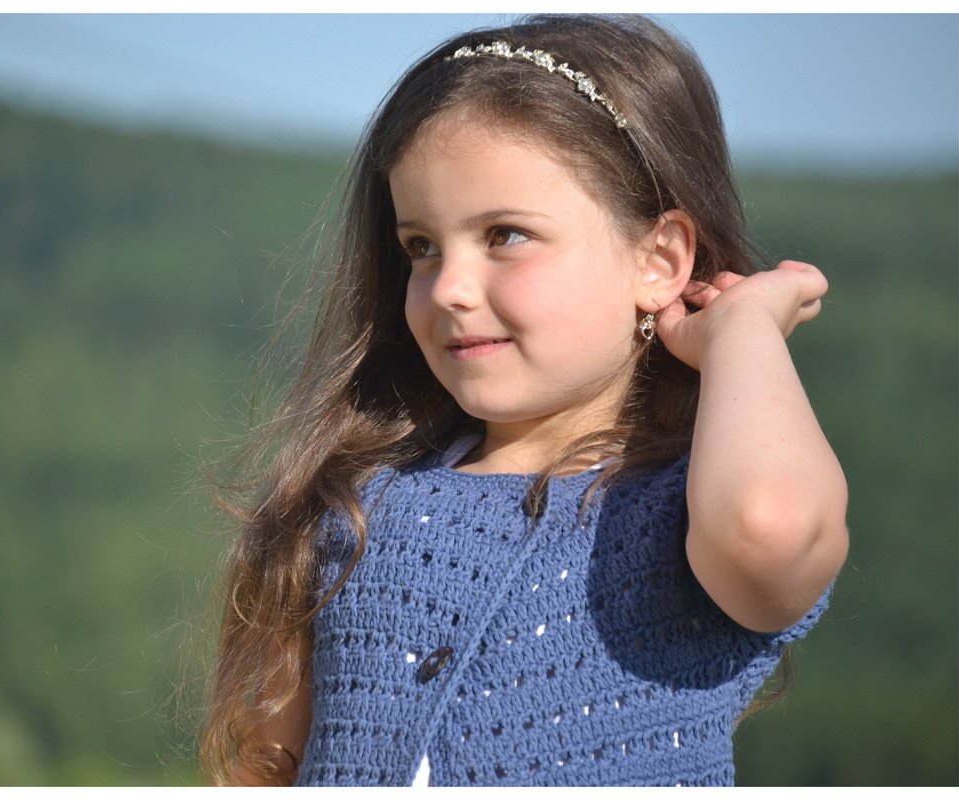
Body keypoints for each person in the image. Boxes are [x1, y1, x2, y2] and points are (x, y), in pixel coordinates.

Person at [198, 13, 848, 787]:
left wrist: (742, 332)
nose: (448, 287)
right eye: (420, 247)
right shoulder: (353, 508)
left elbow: (768, 528)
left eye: (504, 235)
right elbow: (270, 768)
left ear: (658, 259)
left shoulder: (685, 511)